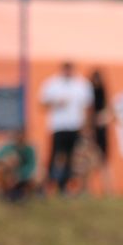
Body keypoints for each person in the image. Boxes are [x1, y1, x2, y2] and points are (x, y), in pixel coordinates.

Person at [39, 60, 94, 194]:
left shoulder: (81, 84)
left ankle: (65, 185)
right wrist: (56, 103)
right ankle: (49, 183)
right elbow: (42, 103)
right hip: (58, 126)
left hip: (75, 126)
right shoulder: (52, 84)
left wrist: (86, 126)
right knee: (55, 155)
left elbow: (87, 106)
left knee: (72, 157)